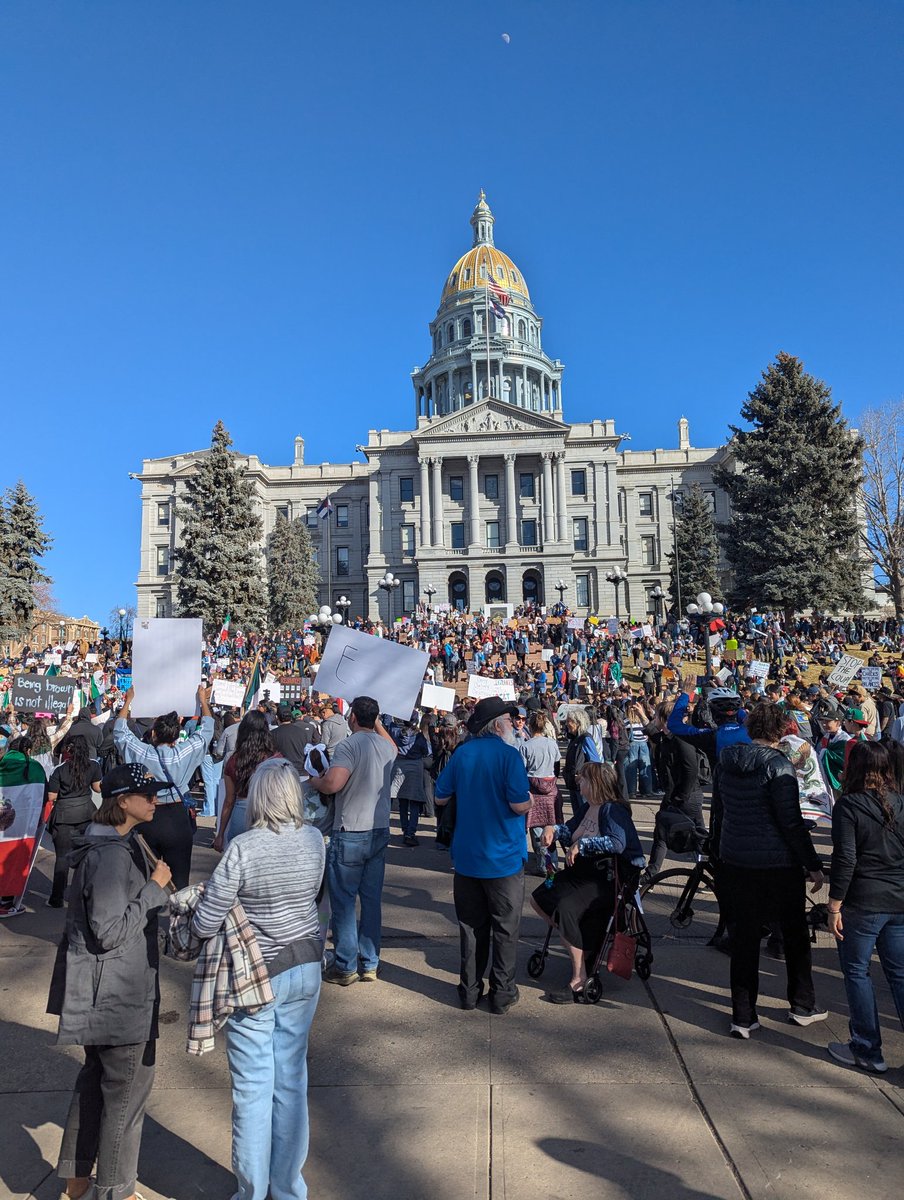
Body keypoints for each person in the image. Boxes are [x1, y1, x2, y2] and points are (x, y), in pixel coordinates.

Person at [191, 759, 325, 1200]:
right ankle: (288, 1188)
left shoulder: (243, 848)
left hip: (255, 974)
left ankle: (252, 1191)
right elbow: (314, 895)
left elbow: (206, 922)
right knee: (291, 1079)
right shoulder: (314, 840)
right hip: (305, 966)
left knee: (252, 1090)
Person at [47, 763, 172, 1200]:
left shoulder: (119, 843)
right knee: (125, 1100)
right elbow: (109, 929)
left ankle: (77, 1182)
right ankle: (114, 1191)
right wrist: (156, 888)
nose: (155, 800)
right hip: (118, 995)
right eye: (148, 794)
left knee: (96, 1085)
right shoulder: (112, 855)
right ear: (122, 800)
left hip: (106, 992)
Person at [711, 700, 827, 1039]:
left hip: (736, 859)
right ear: (780, 732)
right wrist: (813, 864)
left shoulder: (726, 762)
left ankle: (743, 1016)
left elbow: (719, 812)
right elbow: (791, 823)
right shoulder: (779, 766)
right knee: (794, 936)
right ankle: (802, 1004)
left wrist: (718, 849)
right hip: (777, 863)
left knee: (744, 940)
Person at [435, 697, 531, 1014]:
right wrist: (530, 802)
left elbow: (440, 796)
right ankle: (502, 993)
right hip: (503, 857)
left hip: (467, 856)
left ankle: (469, 991)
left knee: (471, 927)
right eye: (509, 718)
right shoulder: (509, 756)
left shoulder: (462, 754)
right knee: (505, 929)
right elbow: (519, 805)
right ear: (499, 724)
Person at [532, 761, 645, 1002]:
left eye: (582, 779)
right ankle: (577, 942)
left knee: (565, 909)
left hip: (605, 879)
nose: (578, 782)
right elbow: (571, 830)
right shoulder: (588, 807)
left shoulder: (613, 810)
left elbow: (617, 843)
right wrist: (552, 829)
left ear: (594, 783)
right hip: (580, 873)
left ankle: (579, 977)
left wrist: (583, 845)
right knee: (539, 897)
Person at [825, 741, 904, 1073]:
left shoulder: (849, 805)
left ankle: (867, 1048)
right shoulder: (900, 801)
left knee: (857, 972)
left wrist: (834, 906)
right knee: (899, 974)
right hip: (898, 900)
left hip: (863, 902)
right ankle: (866, 1046)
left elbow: (845, 859)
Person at [307, 696, 397, 985]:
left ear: (354, 717)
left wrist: (315, 782)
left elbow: (333, 783)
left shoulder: (349, 744)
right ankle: (370, 962)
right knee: (371, 900)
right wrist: (377, 719)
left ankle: (346, 965)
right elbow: (392, 746)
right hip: (379, 829)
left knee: (344, 901)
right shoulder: (386, 746)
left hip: (351, 830)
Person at [114, 686, 214, 889]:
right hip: (178, 819)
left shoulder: (142, 753)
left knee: (145, 878)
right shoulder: (184, 753)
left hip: (147, 816)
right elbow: (206, 731)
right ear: (177, 736)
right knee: (180, 881)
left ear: (153, 734)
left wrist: (128, 701)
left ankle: (146, 916)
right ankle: (179, 918)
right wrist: (203, 701)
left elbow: (120, 733)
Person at [643, 700, 707, 880]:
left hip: (687, 797)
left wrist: (680, 798)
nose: (654, 718)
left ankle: (712, 872)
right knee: (663, 834)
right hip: (675, 796)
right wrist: (643, 716)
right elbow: (655, 736)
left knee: (697, 838)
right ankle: (651, 875)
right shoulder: (667, 737)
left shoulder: (681, 738)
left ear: (664, 719)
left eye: (656, 715)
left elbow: (691, 769)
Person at [46, 736, 102, 908]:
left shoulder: (59, 770)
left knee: (62, 858)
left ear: (68, 750)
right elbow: (97, 787)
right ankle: (84, 897)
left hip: (63, 816)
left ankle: (56, 898)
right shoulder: (93, 765)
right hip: (87, 813)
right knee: (87, 857)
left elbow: (52, 796)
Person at [214, 711, 280, 851]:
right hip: (267, 814)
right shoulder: (275, 759)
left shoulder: (234, 760)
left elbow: (229, 800)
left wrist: (220, 833)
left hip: (241, 814)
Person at [520, 711, 561, 870]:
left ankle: (543, 865)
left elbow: (522, 769)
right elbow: (557, 766)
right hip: (550, 788)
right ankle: (554, 863)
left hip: (533, 789)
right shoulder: (552, 744)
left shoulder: (525, 746)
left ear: (530, 726)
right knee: (551, 824)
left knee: (536, 827)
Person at [562, 708, 601, 817]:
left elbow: (595, 762)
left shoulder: (585, 738)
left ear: (578, 723)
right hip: (573, 784)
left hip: (583, 784)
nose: (567, 724)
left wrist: (582, 775)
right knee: (578, 815)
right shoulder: (574, 739)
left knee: (585, 814)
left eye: (569, 721)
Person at [271, 702, 318, 773]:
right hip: (301, 770)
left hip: (282, 771)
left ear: (277, 717)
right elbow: (308, 749)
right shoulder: (302, 732)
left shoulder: (273, 733)